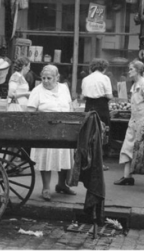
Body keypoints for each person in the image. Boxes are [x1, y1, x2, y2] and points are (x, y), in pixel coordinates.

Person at [27, 64, 76, 201]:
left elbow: (70, 106)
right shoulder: (37, 91)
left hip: (64, 128)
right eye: (43, 78)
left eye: (49, 78)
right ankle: (46, 188)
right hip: (45, 130)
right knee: (46, 158)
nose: (46, 81)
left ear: (57, 77)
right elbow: (30, 113)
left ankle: (62, 184)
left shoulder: (64, 88)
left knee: (63, 156)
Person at [115, 60, 144, 186]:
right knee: (128, 146)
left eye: (131, 69)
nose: (129, 71)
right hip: (134, 121)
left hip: (143, 122)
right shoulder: (135, 84)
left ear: (137, 70)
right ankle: (127, 176)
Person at [82, 58, 112, 171]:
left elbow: (83, 95)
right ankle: (100, 162)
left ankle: (88, 160)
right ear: (103, 68)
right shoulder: (105, 78)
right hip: (101, 106)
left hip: (89, 106)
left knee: (89, 133)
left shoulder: (86, 79)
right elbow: (109, 96)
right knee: (102, 133)